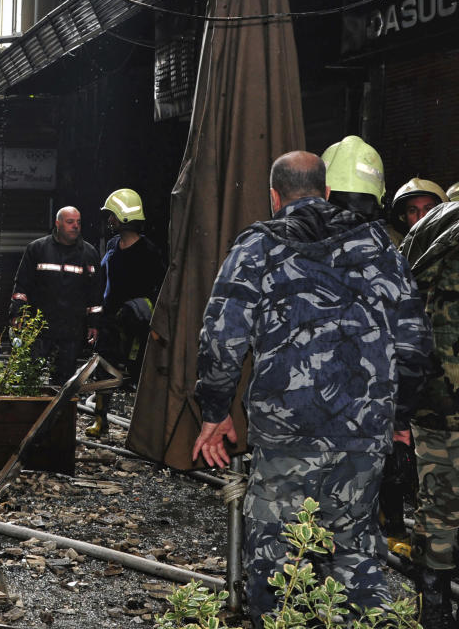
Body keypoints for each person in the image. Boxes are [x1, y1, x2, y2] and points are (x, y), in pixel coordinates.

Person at [191, 151, 432, 626]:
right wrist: (398, 417)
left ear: (274, 196)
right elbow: (415, 344)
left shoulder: (257, 246)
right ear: (325, 191)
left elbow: (222, 337)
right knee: (354, 555)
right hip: (364, 433)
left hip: (287, 434)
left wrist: (215, 411)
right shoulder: (381, 246)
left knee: (278, 565)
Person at [321, 136, 414, 554]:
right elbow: (412, 347)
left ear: (324, 190)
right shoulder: (392, 258)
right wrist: (401, 423)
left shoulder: (287, 248)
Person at [400, 202, 459, 628]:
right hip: (439, 393)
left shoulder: (429, 229)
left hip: (432, 397)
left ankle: (434, 606)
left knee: (437, 503)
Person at [88, 189, 165, 437]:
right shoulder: (112, 246)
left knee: (139, 375)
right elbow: (103, 283)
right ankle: (100, 421)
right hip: (110, 321)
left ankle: (144, 431)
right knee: (102, 370)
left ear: (123, 217)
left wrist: (143, 313)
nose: (109, 220)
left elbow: (160, 290)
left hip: (136, 324)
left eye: (112, 215)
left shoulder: (149, 252)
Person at [10, 206, 103, 385]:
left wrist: (94, 323)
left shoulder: (89, 254)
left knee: (64, 380)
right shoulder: (37, 249)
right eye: (70, 222)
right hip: (39, 327)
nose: (75, 226)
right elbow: (22, 285)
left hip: (71, 329)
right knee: (28, 375)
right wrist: (17, 313)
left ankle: (59, 412)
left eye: (78, 222)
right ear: (57, 224)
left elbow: (95, 293)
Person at [389, 177, 447, 244]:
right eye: (412, 211)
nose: (421, 217)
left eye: (428, 209)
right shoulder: (395, 250)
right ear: (404, 217)